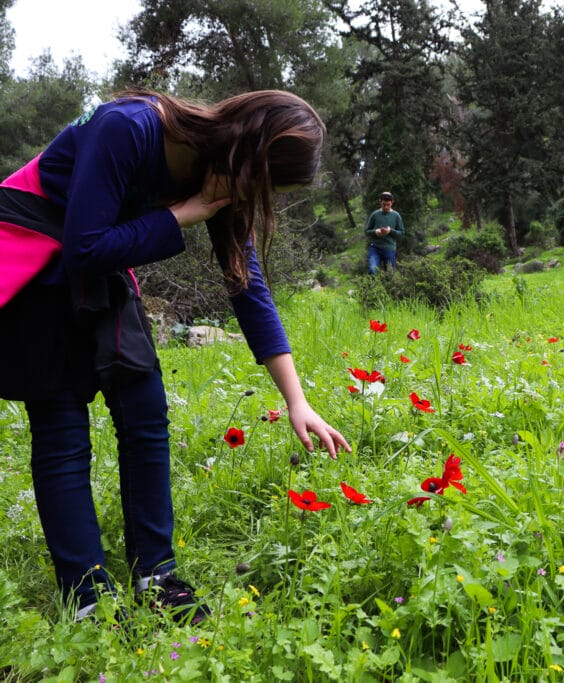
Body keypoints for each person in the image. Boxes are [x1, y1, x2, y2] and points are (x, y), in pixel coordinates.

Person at [0, 89, 351, 625]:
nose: (256, 198)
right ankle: (88, 595)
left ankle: (156, 576)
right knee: (62, 429)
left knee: (145, 415)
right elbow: (83, 247)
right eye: (262, 184)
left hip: (102, 263)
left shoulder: (220, 174)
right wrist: (182, 214)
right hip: (36, 251)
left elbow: (247, 286)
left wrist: (297, 401)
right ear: (247, 151)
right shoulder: (130, 127)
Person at [364, 191, 404, 274]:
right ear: (380, 202)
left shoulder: (396, 216)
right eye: (383, 204)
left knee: (390, 273)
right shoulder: (374, 215)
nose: (386, 207)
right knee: (372, 270)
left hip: (389, 248)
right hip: (375, 248)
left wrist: (390, 231)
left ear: (392, 202)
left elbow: (401, 233)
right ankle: (372, 286)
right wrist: (375, 232)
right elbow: (367, 231)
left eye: (388, 205)